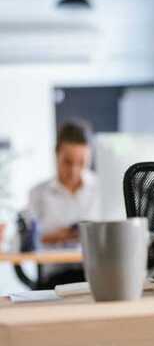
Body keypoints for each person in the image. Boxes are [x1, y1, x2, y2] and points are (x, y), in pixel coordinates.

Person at [23, 120, 100, 287]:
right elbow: (25, 241)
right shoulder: (38, 193)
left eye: (81, 163)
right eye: (67, 162)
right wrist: (62, 235)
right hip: (55, 278)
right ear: (56, 154)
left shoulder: (102, 189)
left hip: (96, 275)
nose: (74, 170)